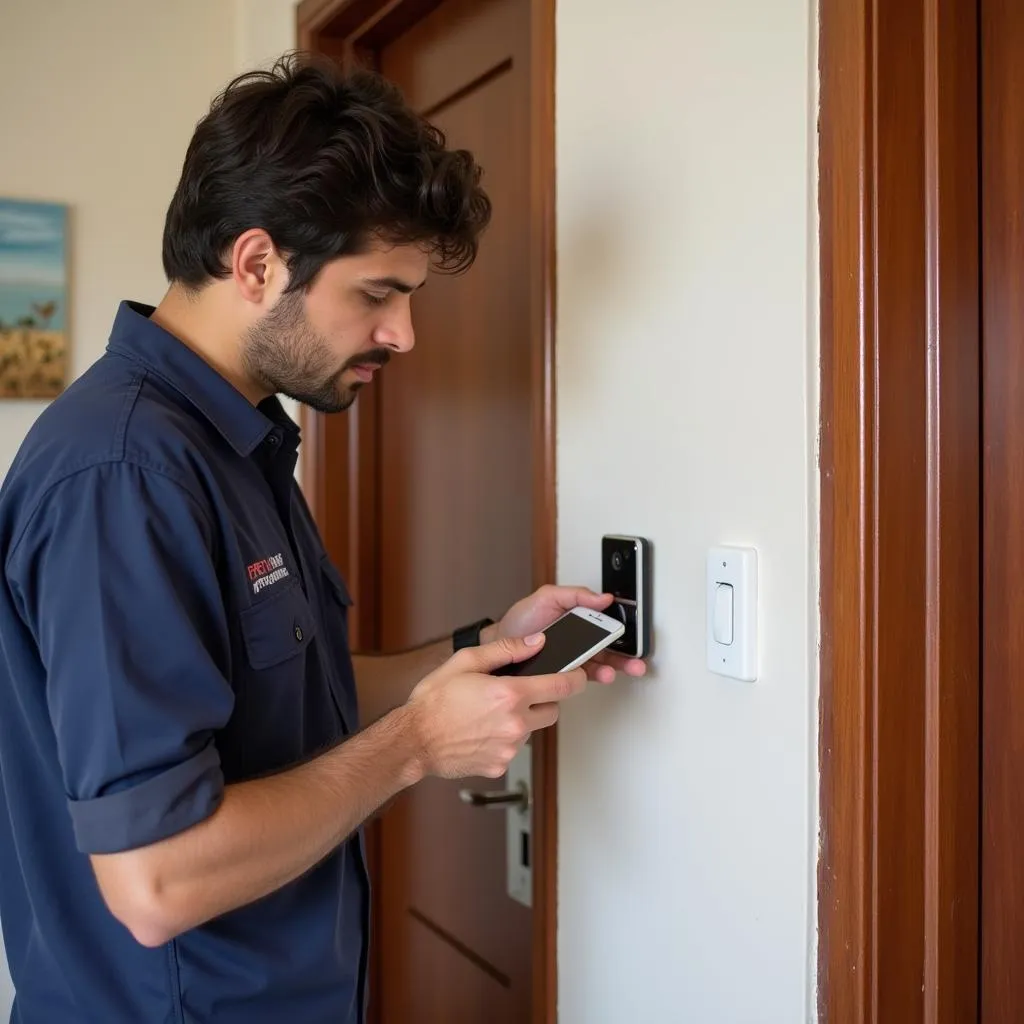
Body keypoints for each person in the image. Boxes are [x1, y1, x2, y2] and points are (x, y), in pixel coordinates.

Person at [0, 53, 646, 1024]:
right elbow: (156, 882)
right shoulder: (126, 474)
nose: (403, 336)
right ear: (257, 263)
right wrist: (419, 745)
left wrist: (485, 649)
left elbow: (294, 697)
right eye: (378, 294)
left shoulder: (234, 441)